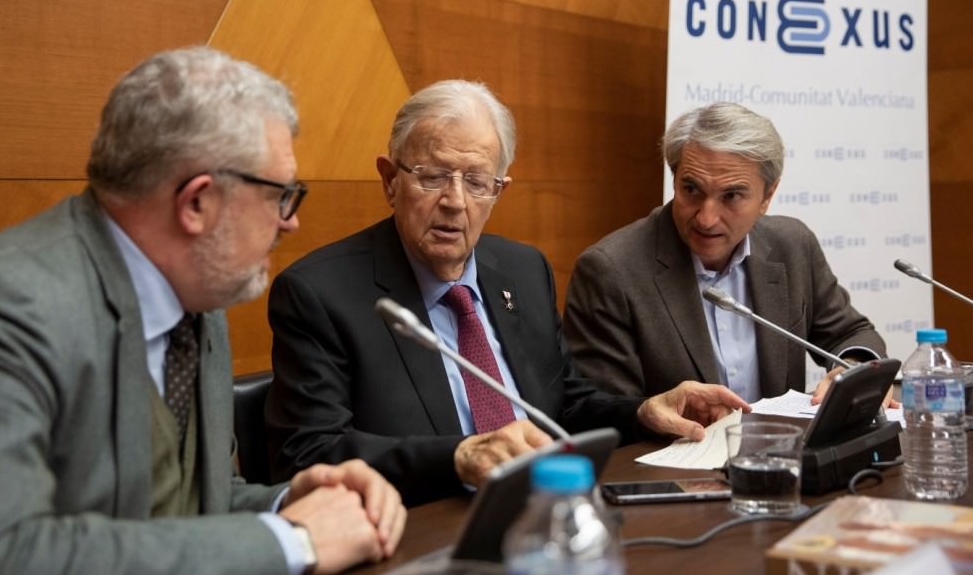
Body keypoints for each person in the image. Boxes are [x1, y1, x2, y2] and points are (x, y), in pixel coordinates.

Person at [0, 46, 406, 575]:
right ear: (197, 204)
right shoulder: (2, 303)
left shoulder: (198, 294)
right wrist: (292, 540)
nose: (289, 222)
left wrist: (290, 504)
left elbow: (196, 507)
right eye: (281, 195)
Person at [265, 80, 749, 507]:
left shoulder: (522, 270)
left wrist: (644, 411)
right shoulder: (319, 294)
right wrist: (458, 458)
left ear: (499, 190)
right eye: (433, 177)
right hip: (425, 531)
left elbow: (565, 406)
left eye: (476, 182)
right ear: (391, 180)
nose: (454, 202)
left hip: (545, 514)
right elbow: (307, 456)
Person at [564, 101, 890, 406]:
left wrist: (852, 369)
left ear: (768, 195)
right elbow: (606, 409)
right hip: (674, 462)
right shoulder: (612, 271)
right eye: (691, 190)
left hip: (780, 457)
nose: (706, 218)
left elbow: (852, 333)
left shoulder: (792, 245)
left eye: (731, 196)